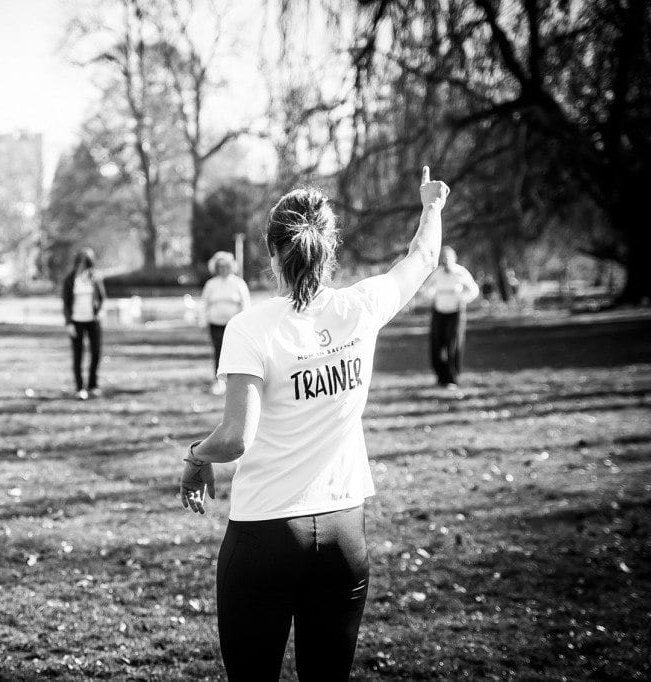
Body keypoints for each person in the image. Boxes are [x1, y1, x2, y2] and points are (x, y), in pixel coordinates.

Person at [178, 167, 450, 681]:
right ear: (331, 247)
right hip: (345, 534)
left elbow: (235, 438)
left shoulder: (250, 326)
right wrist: (430, 207)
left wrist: (194, 458)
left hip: (265, 535)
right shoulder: (360, 307)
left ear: (273, 252)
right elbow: (424, 258)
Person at [423, 245, 479, 387]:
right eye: (443, 258)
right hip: (439, 312)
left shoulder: (461, 273)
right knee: (436, 345)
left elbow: (474, 290)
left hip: (455, 313)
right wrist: (433, 294)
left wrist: (462, 297)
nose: (445, 260)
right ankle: (440, 376)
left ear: (454, 258)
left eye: (448, 257)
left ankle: (453, 377)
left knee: (452, 345)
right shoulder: (437, 274)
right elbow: (426, 291)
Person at [201, 251, 251, 396]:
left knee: (234, 352)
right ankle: (219, 381)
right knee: (218, 351)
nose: (223, 269)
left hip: (233, 325)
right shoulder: (211, 284)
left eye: (225, 266)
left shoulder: (238, 283)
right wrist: (203, 321)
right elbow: (204, 304)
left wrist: (244, 322)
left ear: (231, 267)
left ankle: (235, 381)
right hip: (215, 324)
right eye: (220, 267)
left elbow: (245, 303)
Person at [61, 248, 106, 400]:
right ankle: (80, 387)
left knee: (96, 353)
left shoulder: (95, 279)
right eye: (81, 263)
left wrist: (99, 311)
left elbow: (102, 298)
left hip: (92, 321)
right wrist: (69, 323)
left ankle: (92, 385)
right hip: (76, 321)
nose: (83, 266)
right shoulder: (70, 279)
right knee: (78, 355)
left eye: (86, 263)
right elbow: (66, 303)